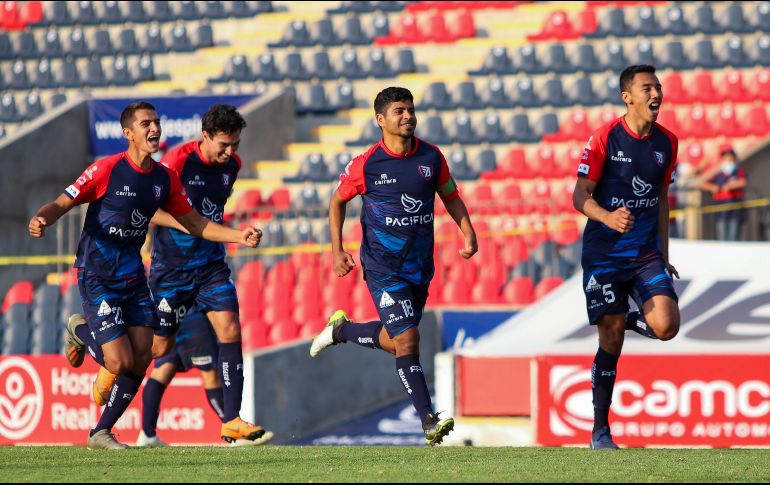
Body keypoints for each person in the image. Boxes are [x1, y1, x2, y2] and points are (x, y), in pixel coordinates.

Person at [31, 101, 262, 449]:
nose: (154, 128)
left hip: (136, 276)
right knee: (121, 360)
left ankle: (101, 432)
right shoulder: (106, 169)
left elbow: (195, 223)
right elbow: (64, 202)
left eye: (156, 122)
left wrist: (237, 235)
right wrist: (43, 218)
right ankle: (80, 329)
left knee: (146, 356)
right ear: (128, 134)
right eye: (145, 124)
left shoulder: (163, 178)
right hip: (101, 273)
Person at [309, 87, 478, 446]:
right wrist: (337, 250)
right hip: (382, 266)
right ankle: (428, 420)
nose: (408, 116)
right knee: (407, 339)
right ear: (380, 120)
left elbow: (451, 196)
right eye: (399, 111)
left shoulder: (431, 158)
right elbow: (336, 202)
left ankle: (342, 331)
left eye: (411, 110)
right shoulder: (367, 164)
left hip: (419, 267)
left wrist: (468, 232)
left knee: (396, 340)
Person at [573, 65, 681, 450]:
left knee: (668, 326)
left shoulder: (667, 142)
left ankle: (629, 318)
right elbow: (578, 194)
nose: (656, 93)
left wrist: (665, 253)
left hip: (645, 254)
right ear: (628, 96)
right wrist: (606, 216)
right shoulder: (604, 139)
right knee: (612, 337)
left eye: (658, 86)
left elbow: (663, 198)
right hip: (603, 256)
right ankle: (600, 431)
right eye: (647, 87)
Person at [135, 307, 273, 447]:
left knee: (162, 369)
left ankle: (147, 434)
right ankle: (234, 430)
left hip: (167, 312)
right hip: (191, 314)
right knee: (210, 374)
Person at [700, 147, 747, 241]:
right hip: (720, 208)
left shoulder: (738, 171)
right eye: (726, 159)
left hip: (735, 208)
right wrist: (712, 187)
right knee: (722, 237)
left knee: (734, 237)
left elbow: (743, 182)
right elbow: (702, 183)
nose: (729, 162)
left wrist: (729, 186)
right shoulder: (717, 173)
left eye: (730, 159)